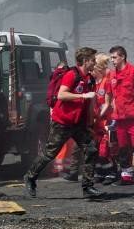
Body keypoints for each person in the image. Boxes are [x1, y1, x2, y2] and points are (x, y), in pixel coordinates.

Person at [23, 47, 105, 199]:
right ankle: (30, 177)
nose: (95, 62)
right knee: (50, 154)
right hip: (63, 122)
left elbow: (89, 104)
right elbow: (61, 95)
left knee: (91, 150)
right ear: (85, 61)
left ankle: (88, 187)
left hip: (79, 124)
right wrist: (83, 95)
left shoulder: (89, 78)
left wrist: (90, 123)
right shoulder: (71, 75)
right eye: (93, 60)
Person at [108, 46, 134, 185]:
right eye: (111, 57)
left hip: (133, 117)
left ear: (123, 57)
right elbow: (111, 95)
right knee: (123, 148)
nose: (112, 60)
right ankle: (126, 175)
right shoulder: (112, 75)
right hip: (120, 118)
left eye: (114, 57)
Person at [91, 53, 118, 184]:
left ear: (99, 69)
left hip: (105, 118)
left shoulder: (106, 82)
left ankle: (112, 172)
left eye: (93, 70)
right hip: (96, 120)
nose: (91, 73)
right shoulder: (93, 83)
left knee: (106, 147)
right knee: (95, 147)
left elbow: (107, 104)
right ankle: (99, 171)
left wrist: (98, 116)